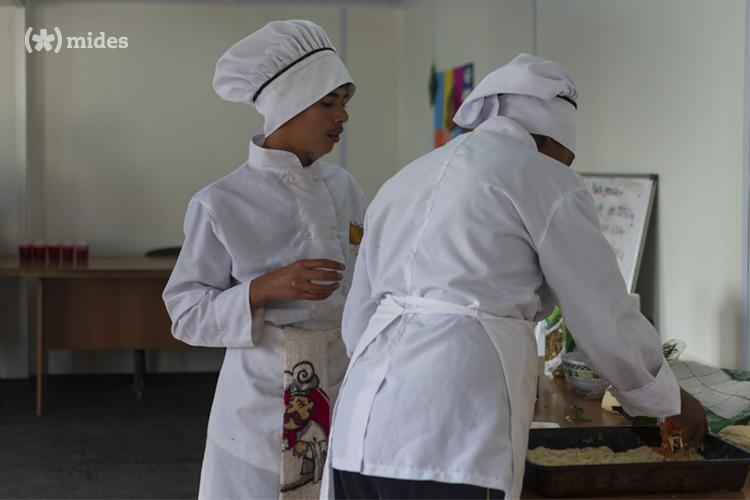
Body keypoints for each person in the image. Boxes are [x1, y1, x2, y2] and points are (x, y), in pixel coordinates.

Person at [324, 53, 707, 500]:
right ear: (548, 139)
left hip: (362, 424)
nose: (566, 165)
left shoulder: (405, 179)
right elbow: (602, 313)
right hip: (452, 436)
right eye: (567, 156)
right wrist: (668, 399)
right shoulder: (543, 178)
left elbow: (358, 322)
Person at [162, 20, 365, 500]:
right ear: (288, 105)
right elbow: (185, 314)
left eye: (345, 103)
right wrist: (261, 289)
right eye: (329, 103)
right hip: (260, 407)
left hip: (344, 387)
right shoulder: (222, 202)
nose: (343, 117)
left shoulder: (346, 189)